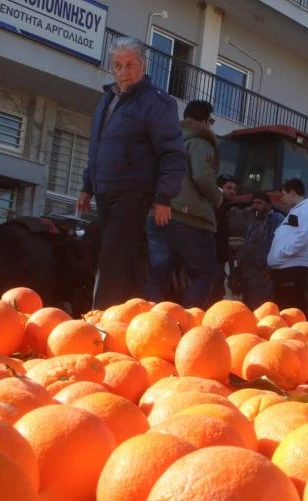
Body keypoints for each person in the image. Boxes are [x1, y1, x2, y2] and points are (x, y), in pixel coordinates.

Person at [77, 37, 185, 310]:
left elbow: (171, 152)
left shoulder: (156, 102)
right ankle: (134, 316)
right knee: (125, 256)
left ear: (143, 66)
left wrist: (163, 197)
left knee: (112, 258)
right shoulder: (108, 99)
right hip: (104, 191)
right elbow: (97, 147)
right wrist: (87, 186)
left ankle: (100, 320)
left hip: (133, 191)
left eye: (129, 65)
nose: (123, 72)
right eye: (117, 65)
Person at [145, 100, 222, 309]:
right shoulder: (199, 141)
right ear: (206, 120)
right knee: (204, 272)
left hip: (158, 212)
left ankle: (148, 321)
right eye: (211, 121)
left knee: (158, 272)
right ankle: (190, 324)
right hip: (190, 218)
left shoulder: (167, 140)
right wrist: (218, 197)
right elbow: (203, 176)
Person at [267, 178, 308, 311]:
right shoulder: (297, 210)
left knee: (291, 310)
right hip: (285, 267)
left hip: (292, 268)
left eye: (283, 194)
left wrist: (284, 253)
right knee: (285, 309)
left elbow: (305, 235)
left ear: (293, 192)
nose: (282, 199)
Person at [235, 192, 283, 309]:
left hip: (263, 268)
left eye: (259, 203)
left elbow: (278, 242)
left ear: (268, 205)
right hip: (248, 269)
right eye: (254, 203)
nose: (255, 206)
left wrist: (270, 265)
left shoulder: (276, 219)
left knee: (261, 305)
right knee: (248, 304)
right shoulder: (253, 220)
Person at [209, 174, 237, 303]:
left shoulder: (226, 209)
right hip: (212, 257)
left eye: (234, 189)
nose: (232, 191)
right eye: (229, 188)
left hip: (219, 258)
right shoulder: (215, 207)